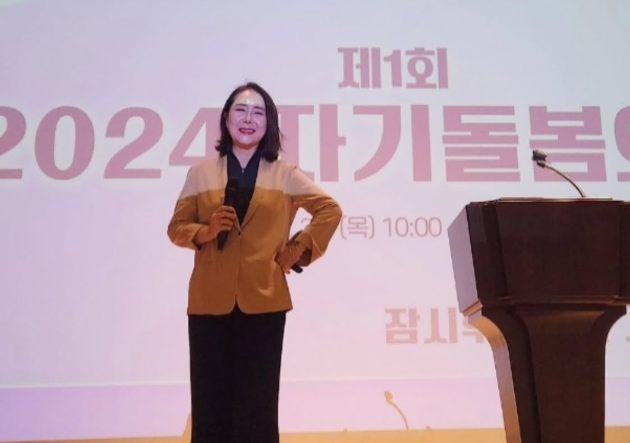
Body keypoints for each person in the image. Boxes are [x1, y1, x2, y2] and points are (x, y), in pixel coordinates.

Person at [167, 82, 342, 443]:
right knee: (210, 403)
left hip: (264, 300)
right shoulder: (201, 173)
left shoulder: (285, 173)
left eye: (258, 113)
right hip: (209, 301)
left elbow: (330, 210)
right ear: (226, 119)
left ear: (269, 124)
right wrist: (205, 230)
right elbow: (176, 228)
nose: (249, 119)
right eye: (241, 110)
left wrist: (295, 250)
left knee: (258, 405)